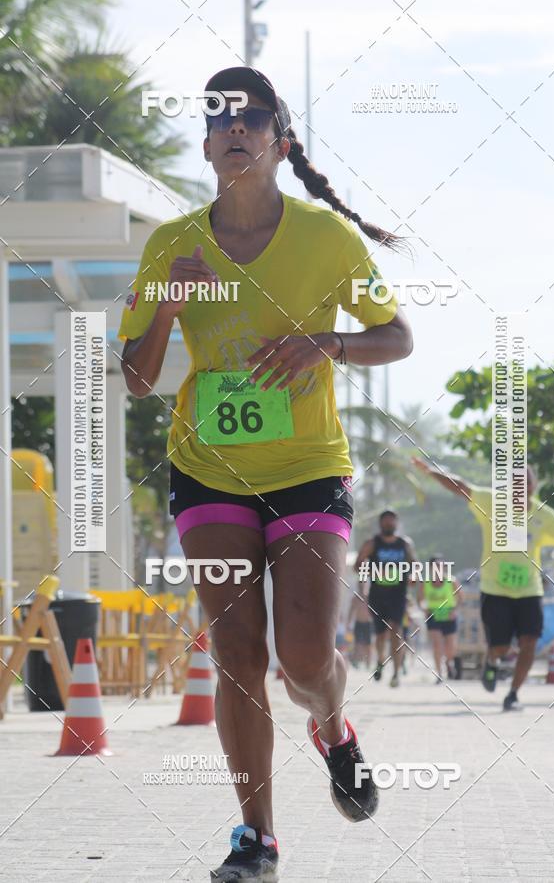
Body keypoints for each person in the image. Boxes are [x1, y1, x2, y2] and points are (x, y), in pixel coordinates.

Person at [119, 66, 413, 882]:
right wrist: (170, 311)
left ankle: (333, 727)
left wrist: (329, 344)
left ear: (279, 142)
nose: (234, 126)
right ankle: (258, 838)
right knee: (239, 654)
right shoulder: (171, 244)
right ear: (208, 145)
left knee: (306, 657)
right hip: (206, 471)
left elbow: (397, 336)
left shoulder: (326, 240)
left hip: (308, 468)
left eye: (251, 116)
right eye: (219, 117)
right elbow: (138, 378)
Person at [412, 457, 554, 710]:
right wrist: (430, 471)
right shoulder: (491, 503)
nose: (523, 490)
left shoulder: (543, 515)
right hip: (495, 590)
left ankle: (513, 693)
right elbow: (460, 486)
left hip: (529, 591)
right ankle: (492, 660)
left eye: (528, 484)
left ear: (534, 487)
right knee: (500, 646)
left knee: (529, 642)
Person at [354, 510, 417, 688]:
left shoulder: (405, 544)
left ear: (396, 523)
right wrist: (368, 572)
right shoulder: (372, 543)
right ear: (381, 524)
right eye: (386, 521)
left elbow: (415, 564)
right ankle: (380, 661)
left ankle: (396, 673)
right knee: (380, 635)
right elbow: (357, 564)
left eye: (392, 521)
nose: (389, 524)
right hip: (377, 595)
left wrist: (413, 576)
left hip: (398, 595)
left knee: (396, 632)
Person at [417, 555, 463, 682]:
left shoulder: (452, 581)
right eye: (436, 566)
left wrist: (455, 610)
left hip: (449, 615)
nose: (439, 568)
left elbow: (461, 598)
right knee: (437, 645)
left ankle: (448, 662)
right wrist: (424, 608)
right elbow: (420, 600)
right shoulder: (425, 583)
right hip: (433, 615)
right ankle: (439, 673)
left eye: (442, 566)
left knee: (451, 647)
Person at [346, 580, 373, 668]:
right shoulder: (356, 598)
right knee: (357, 643)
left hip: (367, 623)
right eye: (360, 585)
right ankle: (357, 661)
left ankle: (368, 663)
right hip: (358, 623)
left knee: (368, 644)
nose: (361, 586)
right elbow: (351, 610)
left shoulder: (368, 597)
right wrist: (348, 623)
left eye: (363, 584)